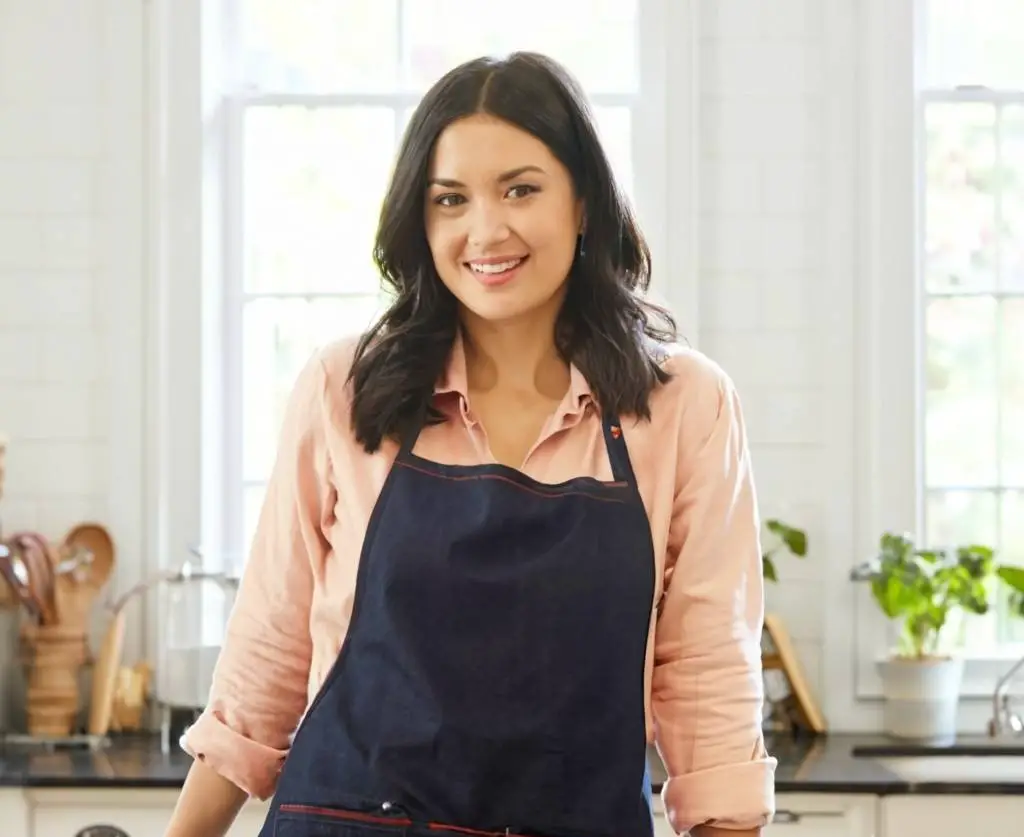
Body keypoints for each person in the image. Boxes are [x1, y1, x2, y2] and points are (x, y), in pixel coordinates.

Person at [164, 52, 776, 837]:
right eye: (450, 199)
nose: (485, 230)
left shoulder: (684, 405)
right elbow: (268, 656)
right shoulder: (345, 387)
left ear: (584, 201)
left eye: (520, 189)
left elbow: (707, 678)